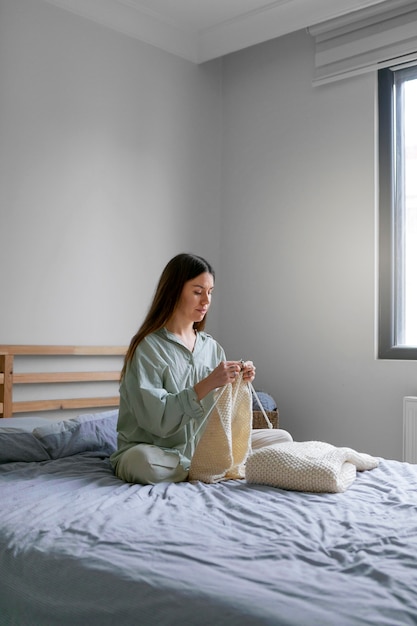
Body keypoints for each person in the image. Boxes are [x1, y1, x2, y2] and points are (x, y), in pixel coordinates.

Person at [110, 253, 292, 485]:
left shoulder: (212, 348)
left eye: (210, 292)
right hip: (157, 452)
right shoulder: (147, 348)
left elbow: (223, 414)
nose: (206, 301)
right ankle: (208, 468)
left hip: (205, 448)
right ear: (174, 291)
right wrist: (208, 383)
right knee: (143, 463)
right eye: (197, 292)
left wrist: (239, 380)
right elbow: (157, 421)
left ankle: (209, 465)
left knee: (281, 438)